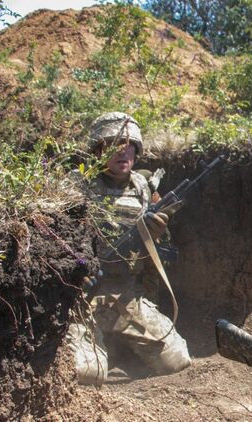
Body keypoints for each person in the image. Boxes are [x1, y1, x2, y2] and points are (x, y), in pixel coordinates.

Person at [66, 112, 191, 385]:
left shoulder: (142, 187)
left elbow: (158, 256)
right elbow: (59, 239)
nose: (122, 152)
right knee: (88, 372)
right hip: (85, 299)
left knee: (177, 359)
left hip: (126, 297)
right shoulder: (77, 185)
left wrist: (154, 235)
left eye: (129, 146)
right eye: (113, 145)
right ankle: (95, 346)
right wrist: (79, 271)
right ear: (97, 150)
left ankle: (121, 349)